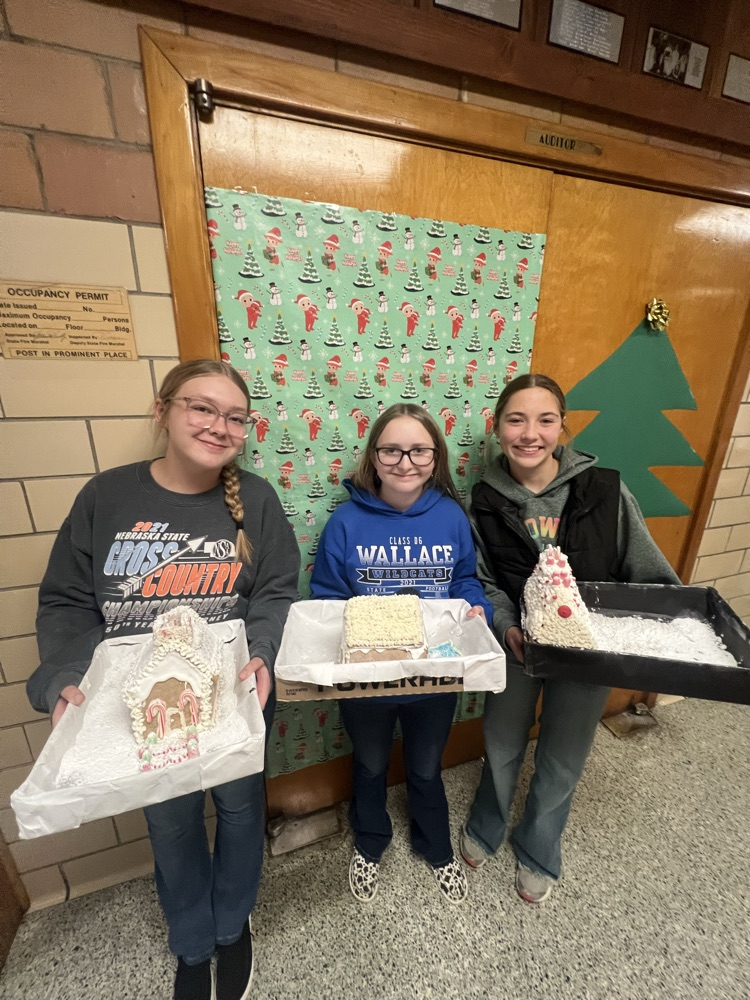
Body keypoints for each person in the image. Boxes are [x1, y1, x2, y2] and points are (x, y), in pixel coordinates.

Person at [27, 359, 300, 1000]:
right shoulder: (107, 496)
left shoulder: (255, 500)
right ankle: (192, 941)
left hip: (231, 698)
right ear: (164, 409)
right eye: (201, 407)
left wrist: (263, 650)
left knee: (240, 812)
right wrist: (63, 676)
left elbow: (277, 591)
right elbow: (66, 600)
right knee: (171, 824)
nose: (218, 425)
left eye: (235, 416)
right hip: (144, 710)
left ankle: (232, 927)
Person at [459, 373, 680, 903]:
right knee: (503, 741)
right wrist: (505, 624)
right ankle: (488, 822)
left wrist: (671, 624)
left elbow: (642, 566)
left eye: (545, 419)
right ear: (496, 427)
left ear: (563, 426)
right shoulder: (484, 500)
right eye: (516, 419)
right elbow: (483, 577)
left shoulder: (605, 489)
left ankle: (539, 845)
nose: (530, 432)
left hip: (587, 653)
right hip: (518, 649)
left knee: (563, 753)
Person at [309, 403, 493, 905]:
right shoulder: (345, 523)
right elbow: (326, 597)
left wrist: (477, 610)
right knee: (369, 765)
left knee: (427, 767)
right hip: (366, 681)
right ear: (374, 456)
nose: (405, 461)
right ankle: (370, 842)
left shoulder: (452, 517)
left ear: (436, 457)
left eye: (419, 450)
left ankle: (435, 847)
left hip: (434, 677)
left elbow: (464, 582)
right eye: (391, 449)